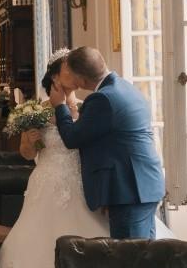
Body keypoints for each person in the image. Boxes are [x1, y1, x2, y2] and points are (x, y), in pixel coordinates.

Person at [0, 51, 172, 268]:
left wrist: (63, 109)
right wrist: (30, 143)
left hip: (97, 188)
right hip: (59, 185)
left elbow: (77, 141)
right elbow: (28, 154)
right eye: (65, 73)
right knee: (129, 255)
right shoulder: (41, 112)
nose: (71, 81)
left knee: (128, 255)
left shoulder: (93, 105)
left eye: (73, 73)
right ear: (56, 78)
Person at [49, 46, 165, 239]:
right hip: (142, 185)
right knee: (146, 261)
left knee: (129, 260)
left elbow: (72, 138)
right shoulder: (125, 86)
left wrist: (60, 105)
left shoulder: (102, 99)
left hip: (129, 190)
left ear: (82, 78)